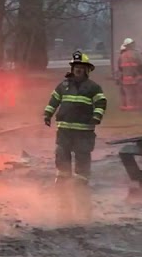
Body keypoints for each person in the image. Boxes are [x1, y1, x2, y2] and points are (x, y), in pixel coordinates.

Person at [43, 51, 108, 185]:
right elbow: (54, 100)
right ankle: (63, 178)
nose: (78, 69)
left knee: (82, 154)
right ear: (72, 69)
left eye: (81, 67)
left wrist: (97, 116)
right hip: (64, 128)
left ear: (87, 70)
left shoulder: (93, 87)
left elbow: (101, 102)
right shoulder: (63, 86)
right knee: (62, 152)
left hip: (84, 129)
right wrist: (47, 114)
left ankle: (81, 180)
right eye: (76, 66)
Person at [117, 38, 142, 109]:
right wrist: (141, 74)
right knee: (137, 92)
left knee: (128, 93)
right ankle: (137, 106)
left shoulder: (122, 56)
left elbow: (120, 68)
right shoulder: (136, 54)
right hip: (136, 77)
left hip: (126, 78)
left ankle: (129, 106)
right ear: (130, 45)